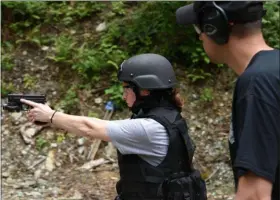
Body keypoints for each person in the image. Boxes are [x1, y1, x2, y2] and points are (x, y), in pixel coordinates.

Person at [20, 53, 207, 200]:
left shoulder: (149, 128)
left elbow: (89, 128)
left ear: (144, 90)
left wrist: (51, 116)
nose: (124, 95)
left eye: (127, 88)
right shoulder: (170, 119)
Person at [176, 1, 279, 200]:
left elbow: (255, 194)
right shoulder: (273, 71)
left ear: (213, 27)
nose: (199, 36)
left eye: (199, 28)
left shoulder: (258, 82)